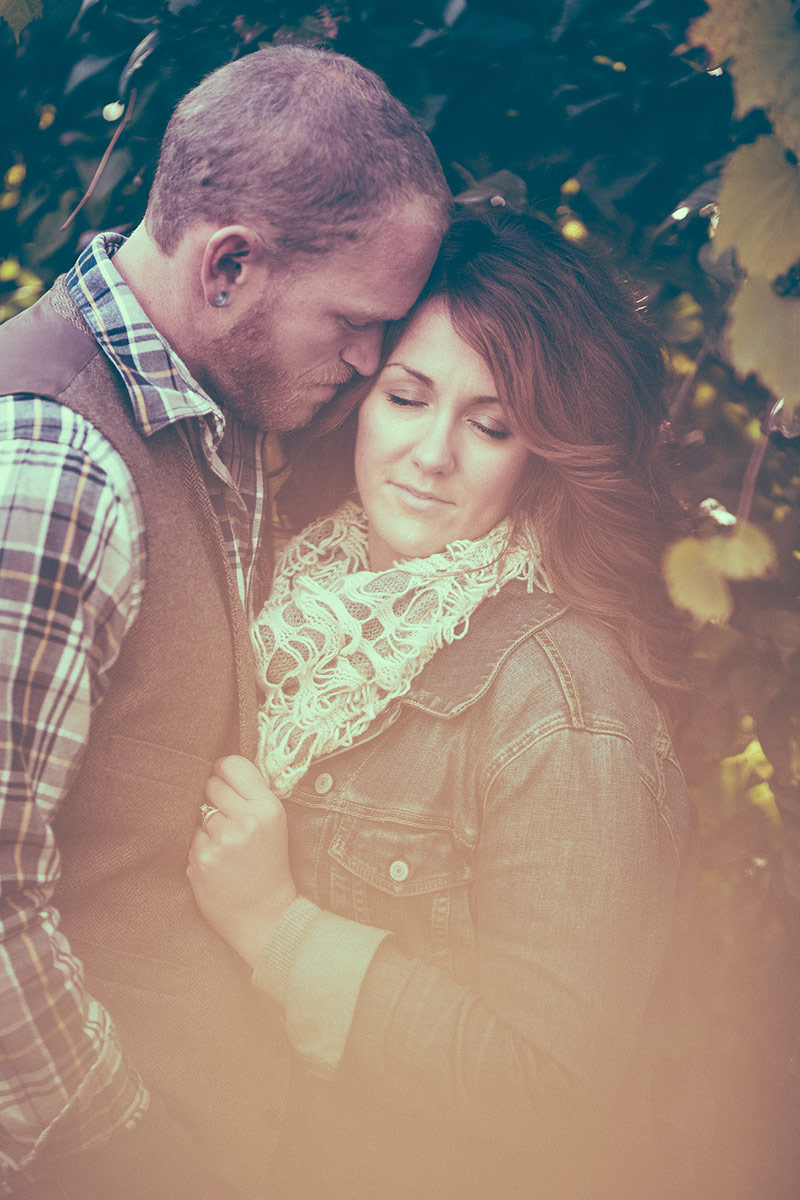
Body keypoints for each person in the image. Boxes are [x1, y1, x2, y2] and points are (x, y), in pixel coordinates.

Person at [0, 44, 449, 1200]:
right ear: (228, 266)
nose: (370, 360)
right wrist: (123, 1140)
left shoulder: (218, 409)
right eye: (355, 320)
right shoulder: (55, 469)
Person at [188, 210, 699, 1200]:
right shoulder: (276, 591)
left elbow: (554, 1094)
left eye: (489, 423)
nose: (430, 453)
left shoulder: (563, 707)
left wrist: (274, 927)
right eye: (407, 396)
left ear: (542, 452)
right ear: (360, 397)